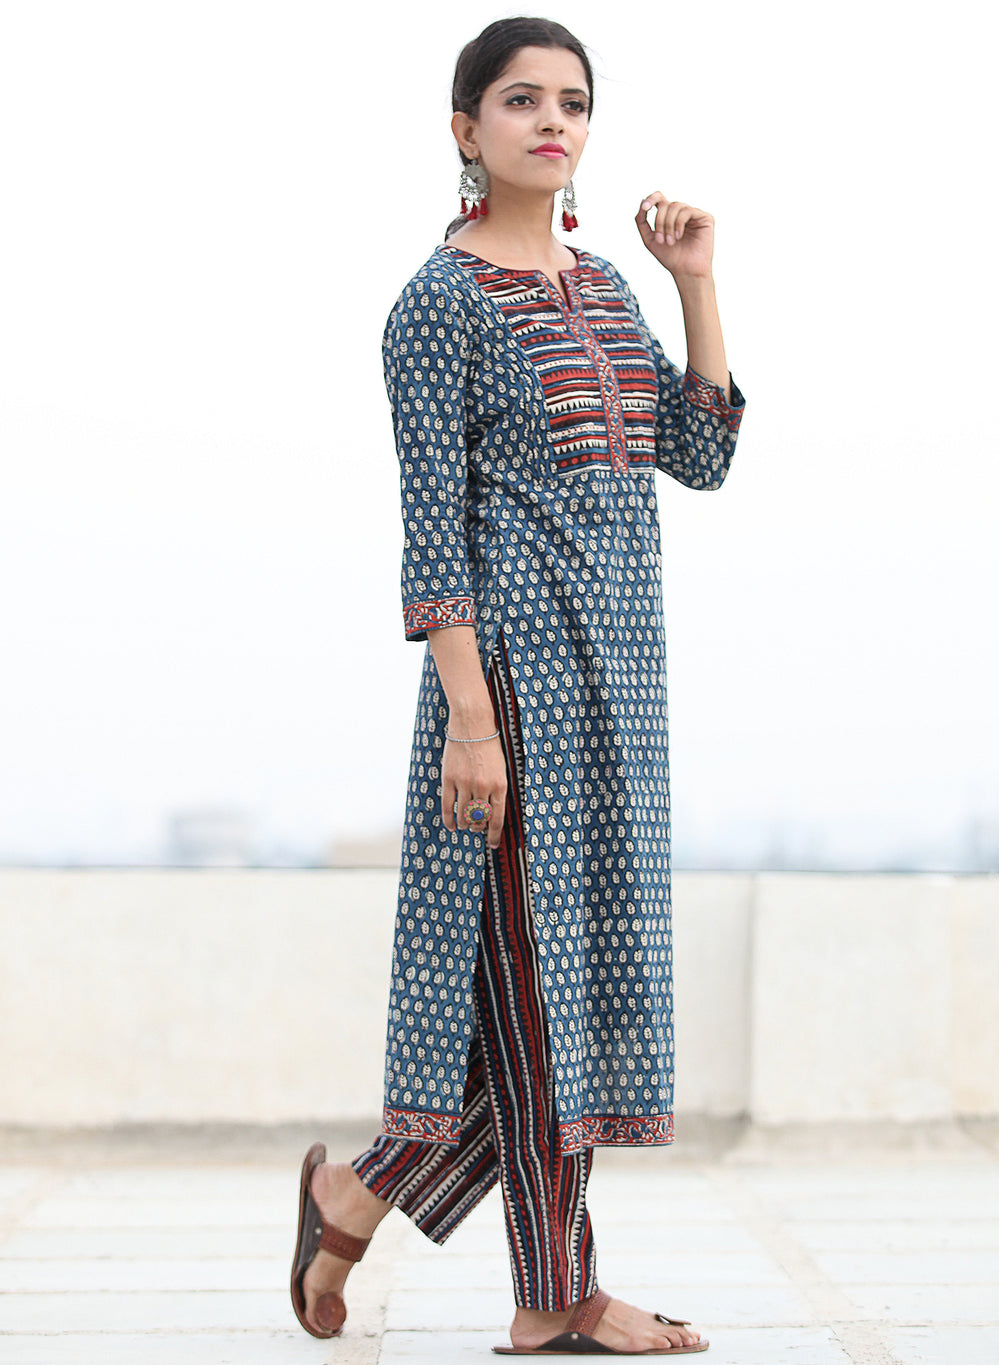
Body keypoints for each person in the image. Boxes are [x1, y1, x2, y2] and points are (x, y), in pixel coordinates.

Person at [290, 15, 746, 1356]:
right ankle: (555, 1294)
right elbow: (432, 538)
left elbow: (702, 455)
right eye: (523, 100)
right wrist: (472, 726)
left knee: (561, 996)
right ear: (465, 128)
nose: (554, 122)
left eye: (574, 103)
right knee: (539, 996)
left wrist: (695, 284)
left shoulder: (604, 286)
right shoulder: (435, 307)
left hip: (624, 696)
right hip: (512, 691)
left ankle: (356, 1195)